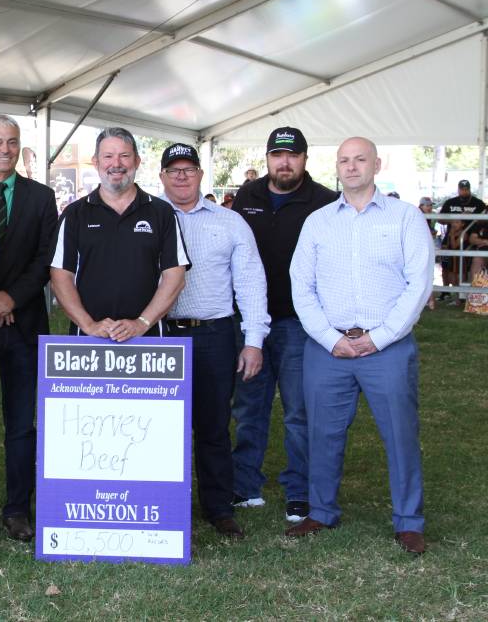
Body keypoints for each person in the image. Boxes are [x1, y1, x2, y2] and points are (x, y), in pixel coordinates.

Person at [286, 137, 432, 555]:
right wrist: (330, 339)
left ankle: (408, 520)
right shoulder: (318, 221)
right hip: (327, 347)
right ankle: (321, 510)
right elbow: (302, 285)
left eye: (360, 159)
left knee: (400, 433)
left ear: (377, 164)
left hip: (387, 347)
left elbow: (417, 285)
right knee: (322, 433)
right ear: (336, 167)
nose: (351, 167)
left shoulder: (405, 218)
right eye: (344, 160)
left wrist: (379, 338)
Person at [158, 143, 269, 539]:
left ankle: (219, 507)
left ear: (201, 174)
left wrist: (253, 339)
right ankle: (161, 503)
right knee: (159, 426)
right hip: (160, 331)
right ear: (162, 178)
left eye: (189, 169)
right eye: (174, 170)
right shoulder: (149, 216)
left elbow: (251, 281)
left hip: (214, 333)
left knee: (213, 425)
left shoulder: (230, 221)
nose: (182, 176)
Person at [229, 126, 338, 522]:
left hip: (299, 322)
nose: (285, 162)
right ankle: (244, 485)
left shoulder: (325, 201)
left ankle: (299, 490)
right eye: (278, 155)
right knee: (248, 407)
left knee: (298, 410)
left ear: (305, 159)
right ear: (268, 159)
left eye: (292, 155)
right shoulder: (248, 195)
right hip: (251, 320)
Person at [0, 114, 58, 542]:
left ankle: (18, 510)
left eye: (12, 142)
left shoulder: (42, 197)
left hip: (24, 323)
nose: (5, 149)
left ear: (20, 147)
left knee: (22, 424)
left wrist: (12, 298)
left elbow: (45, 258)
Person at [49, 127, 189, 341]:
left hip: (148, 340)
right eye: (108, 156)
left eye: (124, 156)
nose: (116, 164)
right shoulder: (75, 214)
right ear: (96, 162)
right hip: (89, 340)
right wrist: (89, 325)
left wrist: (141, 323)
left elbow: (175, 277)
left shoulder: (162, 213)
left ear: (137, 161)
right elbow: (60, 277)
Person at [439, 179, 485, 298]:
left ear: (469, 189)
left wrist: (471, 218)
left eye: (466, 189)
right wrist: (455, 219)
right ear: (458, 189)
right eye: (462, 189)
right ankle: (445, 291)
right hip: (450, 237)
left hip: (467, 239)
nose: (464, 191)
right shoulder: (450, 202)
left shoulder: (478, 203)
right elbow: (440, 219)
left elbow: (483, 221)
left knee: (463, 267)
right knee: (445, 265)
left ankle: (462, 295)